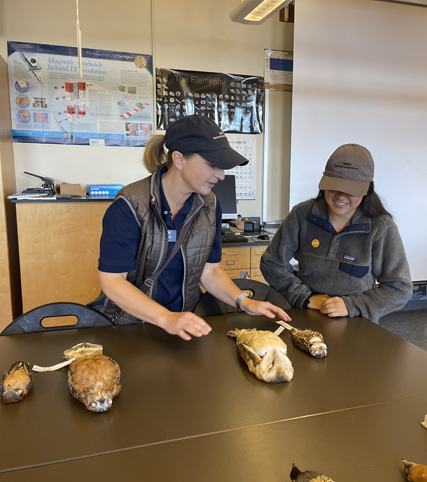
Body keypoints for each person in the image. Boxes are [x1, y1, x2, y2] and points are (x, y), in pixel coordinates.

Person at [96, 115, 291, 339]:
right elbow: (112, 280)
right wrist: (165, 317)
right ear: (179, 160)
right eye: (212, 165)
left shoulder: (209, 206)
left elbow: (210, 271)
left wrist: (244, 302)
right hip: (134, 326)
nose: (221, 175)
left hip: (186, 324)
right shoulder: (129, 205)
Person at [260, 144, 413, 322]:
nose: (340, 196)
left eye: (350, 191)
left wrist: (352, 305)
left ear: (367, 189)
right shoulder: (302, 215)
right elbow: (271, 263)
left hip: (355, 322)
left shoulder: (381, 227)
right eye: (334, 187)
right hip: (304, 312)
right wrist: (305, 297)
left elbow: (399, 288)